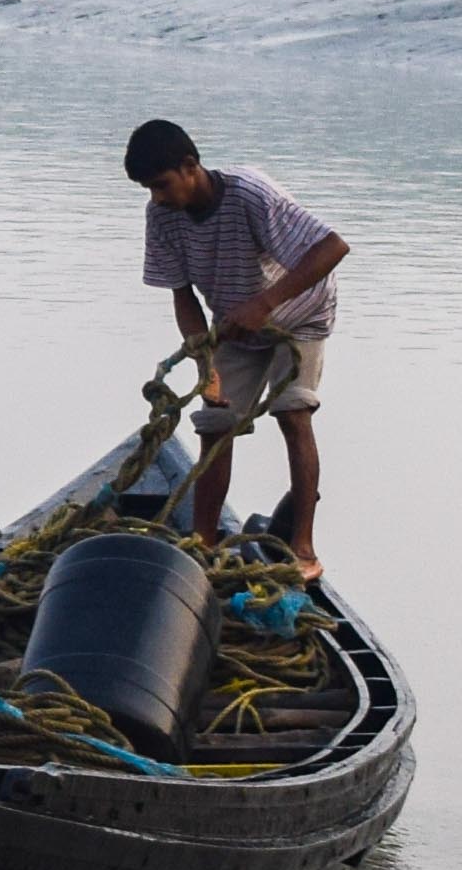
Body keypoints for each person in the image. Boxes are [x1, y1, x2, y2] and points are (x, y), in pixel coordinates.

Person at [124, 119, 349, 554]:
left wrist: (265, 304)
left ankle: (303, 547)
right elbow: (183, 296)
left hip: (299, 316)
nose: (157, 198)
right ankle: (203, 545)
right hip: (234, 326)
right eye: (148, 189)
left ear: (191, 166)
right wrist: (204, 364)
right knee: (215, 422)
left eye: (162, 185)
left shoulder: (249, 193)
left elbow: (332, 247)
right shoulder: (162, 216)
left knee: (292, 412)